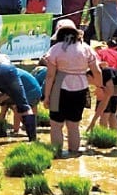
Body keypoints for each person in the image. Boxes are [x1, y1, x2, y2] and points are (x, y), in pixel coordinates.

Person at [43, 19, 100, 156]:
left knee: (56, 125)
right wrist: (99, 86)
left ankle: (57, 154)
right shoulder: (85, 48)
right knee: (74, 125)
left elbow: (50, 76)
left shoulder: (55, 49)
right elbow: (97, 71)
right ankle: (74, 154)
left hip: (59, 88)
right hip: (81, 87)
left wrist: (46, 96)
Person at [87, 66, 117, 153]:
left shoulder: (105, 72)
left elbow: (110, 92)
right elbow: (103, 104)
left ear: (90, 76)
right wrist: (93, 122)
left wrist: (100, 89)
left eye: (89, 81)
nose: (90, 84)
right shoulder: (105, 85)